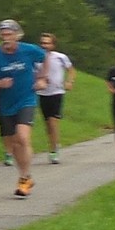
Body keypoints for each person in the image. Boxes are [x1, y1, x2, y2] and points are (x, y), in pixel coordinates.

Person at [0, 19, 48, 198]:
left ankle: (24, 178)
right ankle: (25, 176)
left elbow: (46, 57)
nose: (6, 38)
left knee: (23, 137)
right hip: (6, 104)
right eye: (3, 35)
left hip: (27, 99)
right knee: (14, 143)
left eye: (9, 34)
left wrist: (43, 78)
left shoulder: (29, 50)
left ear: (17, 35)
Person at [37, 32, 76, 164]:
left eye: (47, 43)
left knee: (53, 122)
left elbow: (71, 70)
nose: (44, 45)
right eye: (42, 43)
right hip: (42, 94)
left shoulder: (60, 57)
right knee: (47, 124)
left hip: (57, 93)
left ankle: (54, 150)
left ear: (53, 45)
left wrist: (69, 81)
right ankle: (53, 144)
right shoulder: (36, 58)